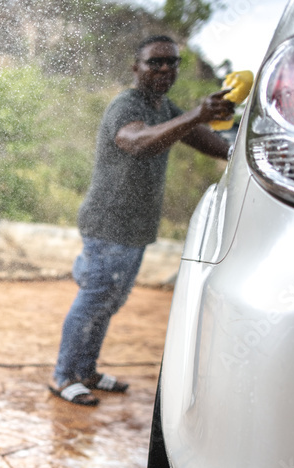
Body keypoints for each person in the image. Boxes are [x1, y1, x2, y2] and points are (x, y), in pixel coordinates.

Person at [51, 34, 234, 406]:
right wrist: (197, 113)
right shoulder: (126, 104)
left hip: (135, 229)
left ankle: (86, 370)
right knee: (94, 300)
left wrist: (236, 150)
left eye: (172, 62)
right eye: (155, 62)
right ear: (137, 68)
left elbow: (200, 137)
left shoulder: (163, 107)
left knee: (109, 303)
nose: (165, 68)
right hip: (109, 225)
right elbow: (137, 142)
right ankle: (63, 376)